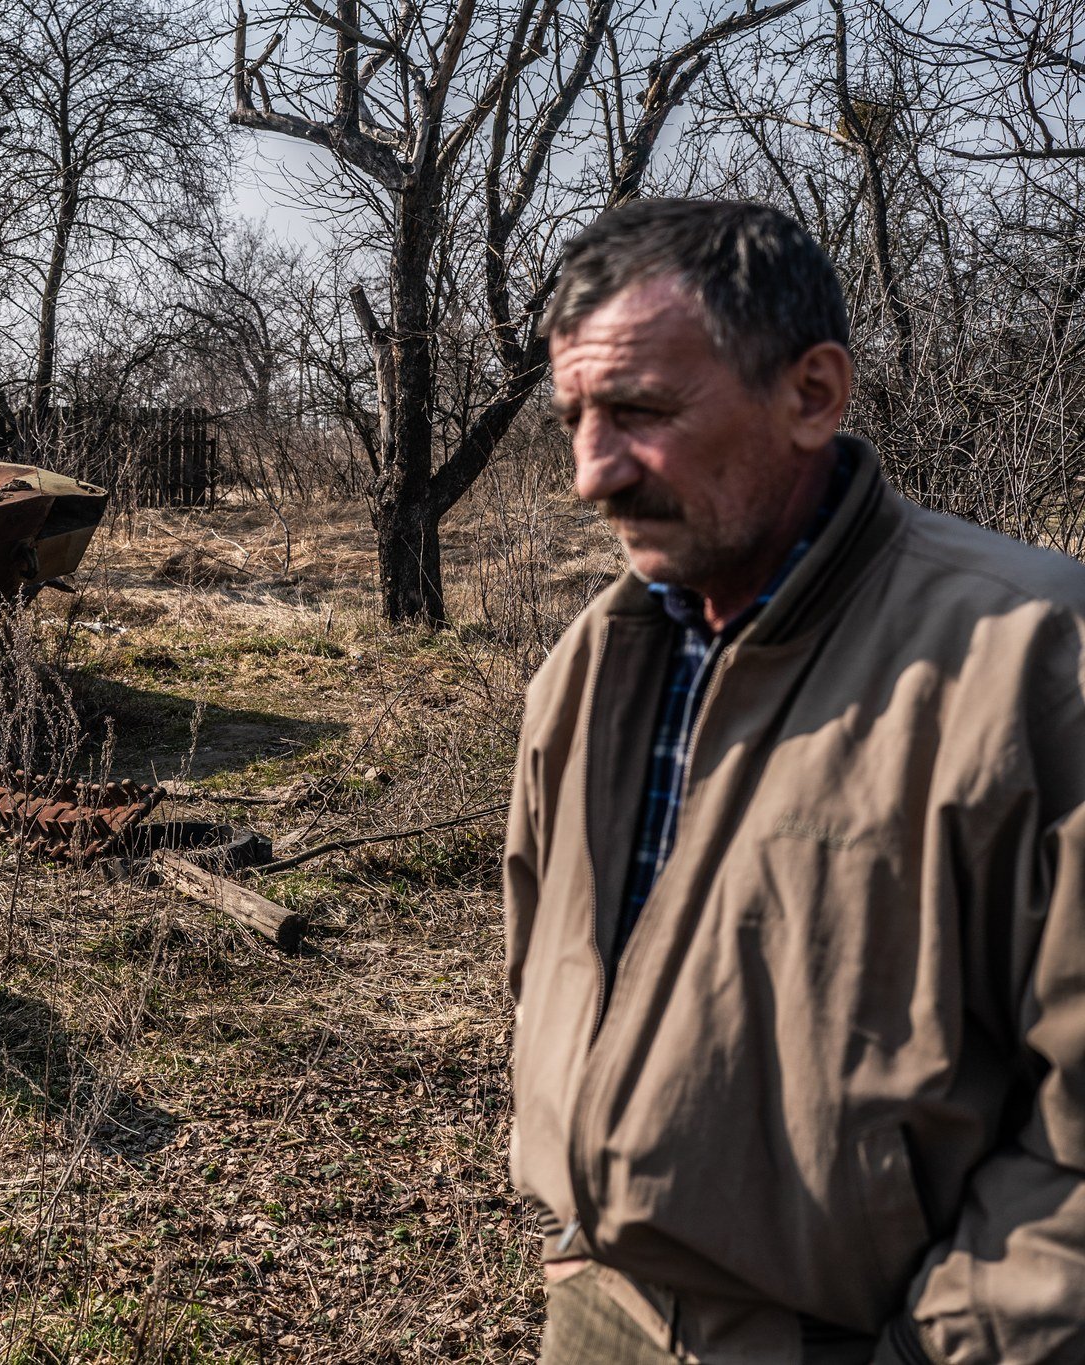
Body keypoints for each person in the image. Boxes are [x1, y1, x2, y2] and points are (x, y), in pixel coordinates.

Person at [505, 197, 1085, 1364]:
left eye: (637, 413)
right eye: (572, 418)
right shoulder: (592, 661)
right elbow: (541, 963)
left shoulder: (1033, 656)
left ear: (811, 394)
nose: (588, 474)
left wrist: (947, 1347)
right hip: (599, 1310)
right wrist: (577, 1237)